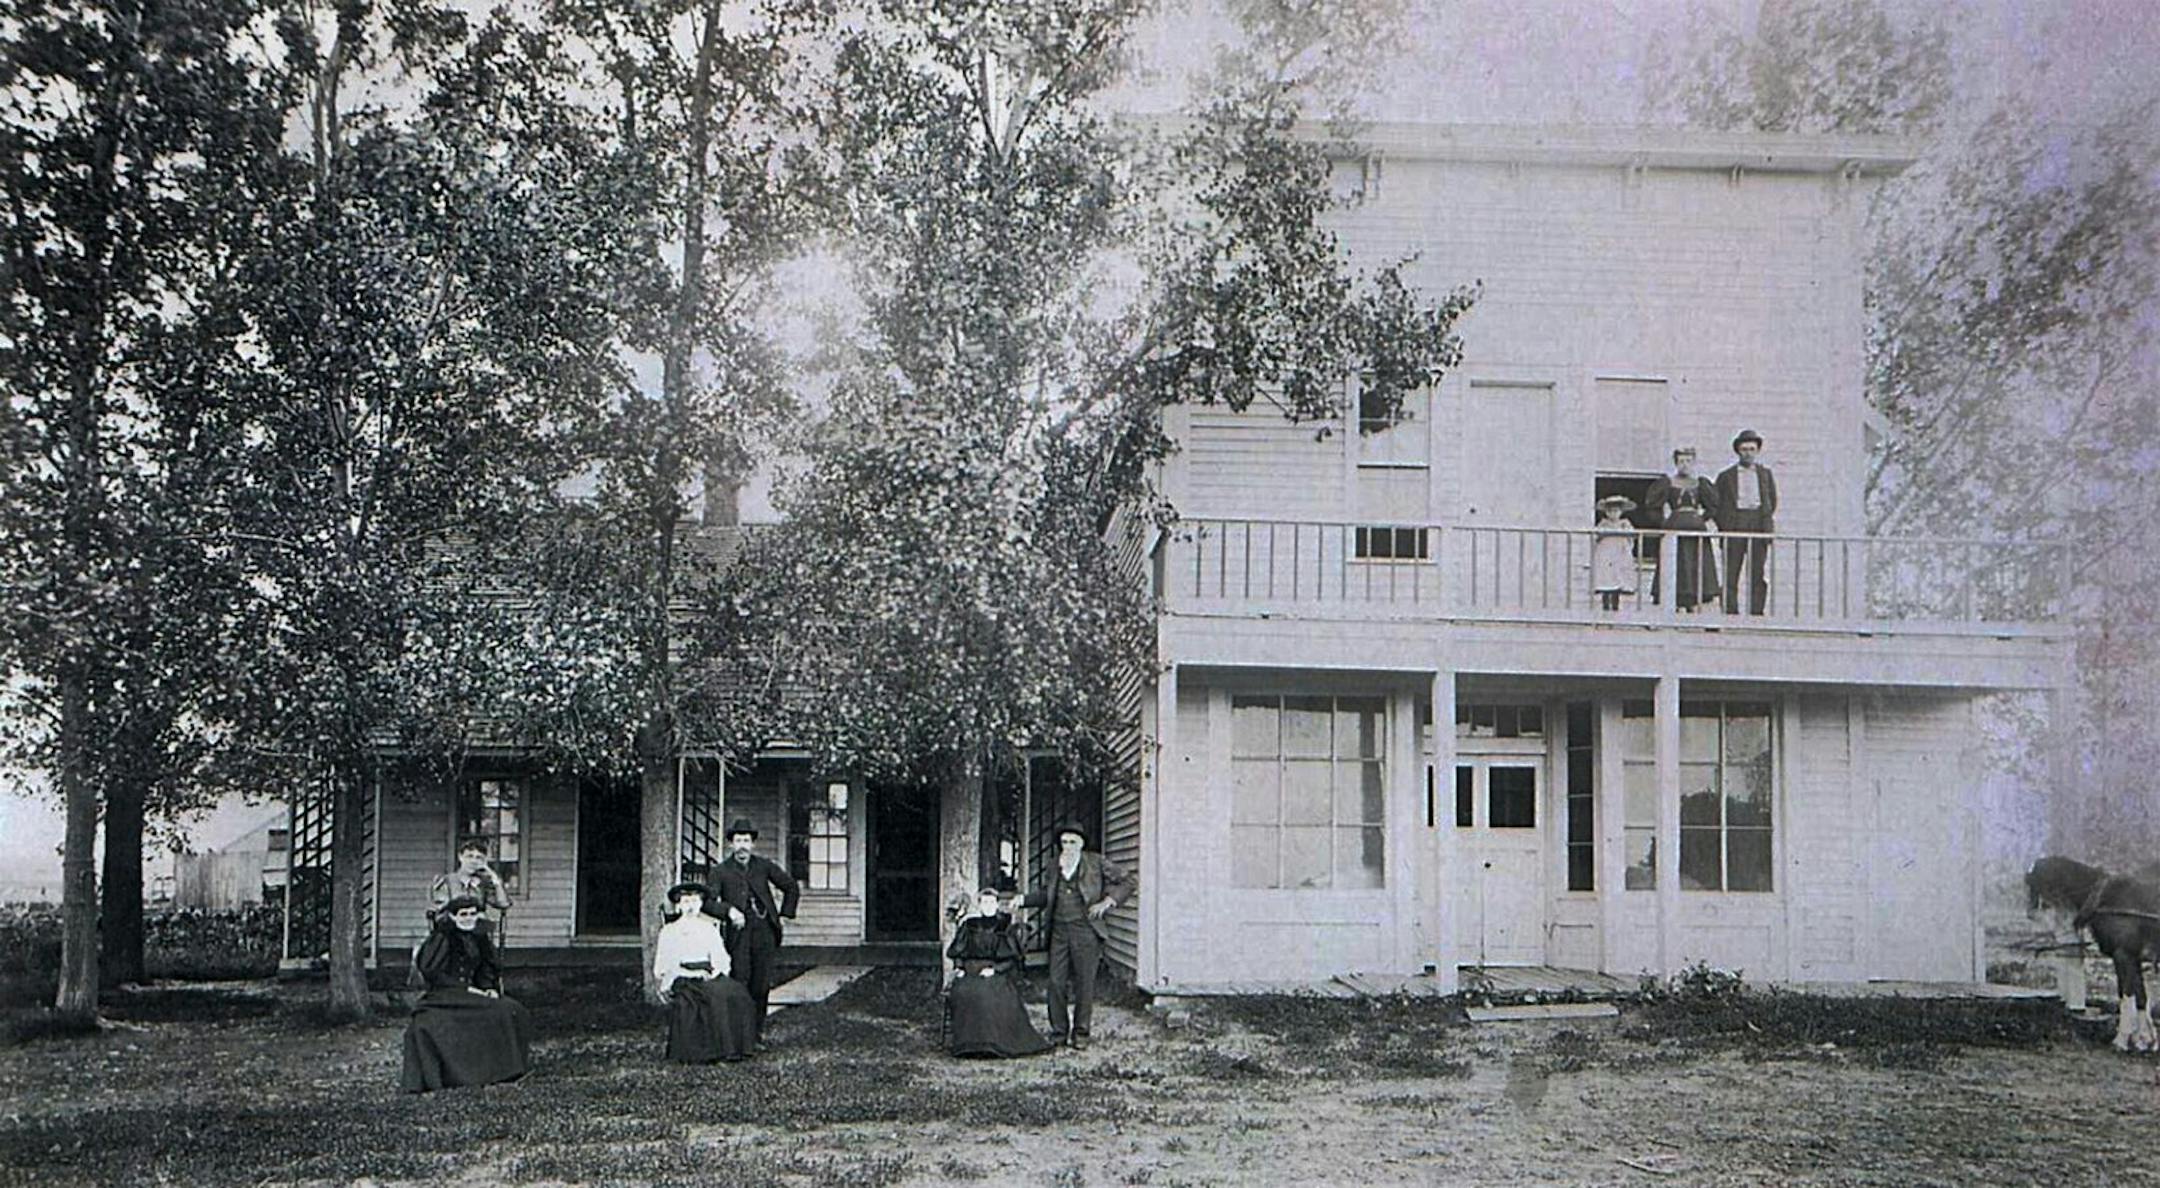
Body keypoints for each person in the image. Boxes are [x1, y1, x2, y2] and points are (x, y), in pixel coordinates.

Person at [1017, 823, 1135, 1050]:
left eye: (1072, 842)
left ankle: (1081, 1033)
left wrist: (1108, 902)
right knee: (1055, 982)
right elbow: (1047, 895)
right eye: (1064, 842)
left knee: (1084, 983)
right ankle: (1058, 1033)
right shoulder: (1054, 865)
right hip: (1059, 931)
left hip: (1086, 930)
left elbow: (1128, 881)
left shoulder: (1096, 862)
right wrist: (1022, 900)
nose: (1068, 847)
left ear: (1081, 844)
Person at [400, 895, 534, 1092]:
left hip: (473, 993)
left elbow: (485, 969)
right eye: (463, 914)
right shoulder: (442, 938)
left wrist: (488, 988)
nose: (469, 918)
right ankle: (459, 1075)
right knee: (429, 1023)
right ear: (453, 917)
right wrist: (465, 989)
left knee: (512, 1009)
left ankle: (502, 1071)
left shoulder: (479, 938)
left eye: (472, 914)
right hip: (445, 995)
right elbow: (433, 973)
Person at [709, 817, 798, 1051]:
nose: (742, 846)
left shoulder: (763, 866)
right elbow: (707, 902)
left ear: (752, 844)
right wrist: (728, 911)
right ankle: (739, 1037)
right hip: (738, 935)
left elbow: (790, 886)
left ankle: (756, 1035)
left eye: (746, 841)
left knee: (761, 985)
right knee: (740, 982)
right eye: (738, 841)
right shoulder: (720, 871)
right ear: (731, 844)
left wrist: (785, 915)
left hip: (764, 932)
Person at [654, 881, 758, 1063]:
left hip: (708, 973)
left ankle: (738, 1047)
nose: (690, 907)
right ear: (678, 905)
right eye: (686, 902)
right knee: (714, 997)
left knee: (737, 993)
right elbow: (666, 963)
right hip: (682, 975)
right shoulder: (670, 931)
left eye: (694, 902)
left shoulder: (708, 928)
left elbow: (720, 956)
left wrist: (716, 971)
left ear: (701, 904)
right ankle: (712, 1051)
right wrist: (690, 974)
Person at [945, 886, 1053, 1059]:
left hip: (996, 972)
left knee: (987, 993)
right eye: (984, 902)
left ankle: (991, 1044)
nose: (988, 906)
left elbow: (1011, 959)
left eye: (991, 902)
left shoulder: (1004, 926)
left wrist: (994, 969)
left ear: (997, 905)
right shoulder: (969, 925)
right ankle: (967, 1045)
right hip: (969, 971)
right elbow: (959, 952)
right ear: (979, 905)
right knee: (963, 991)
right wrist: (959, 968)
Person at [1642, 446, 1721, 611]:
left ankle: (1693, 601)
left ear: (1694, 463)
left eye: (1688, 461)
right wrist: (1664, 522)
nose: (1685, 465)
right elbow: (1652, 507)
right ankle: (1677, 601)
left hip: (1696, 529)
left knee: (1695, 563)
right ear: (1676, 463)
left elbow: (1713, 507)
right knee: (1676, 563)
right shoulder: (1668, 483)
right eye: (1681, 461)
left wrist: (1701, 518)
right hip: (1674, 527)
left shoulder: (1700, 483)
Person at [1715, 429, 1779, 615]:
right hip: (1735, 524)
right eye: (1744, 449)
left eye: (1752, 449)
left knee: (1757, 573)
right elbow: (1717, 504)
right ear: (1738, 451)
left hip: (1758, 524)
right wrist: (1726, 525)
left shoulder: (1765, 474)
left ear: (1757, 450)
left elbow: (1772, 501)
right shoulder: (1726, 476)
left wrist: (1764, 522)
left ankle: (1756, 613)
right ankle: (1730, 614)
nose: (1748, 453)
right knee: (1731, 573)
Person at [429, 838, 513, 937]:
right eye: (469, 856)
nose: (474, 861)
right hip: (450, 935)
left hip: (477, 934)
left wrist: (496, 880)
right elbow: (440, 912)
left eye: (479, 858)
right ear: (460, 857)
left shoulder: (483, 883)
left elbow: (503, 904)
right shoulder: (446, 882)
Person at [1590, 495, 1639, 611]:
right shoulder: (1603, 523)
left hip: (1619, 553)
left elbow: (1633, 535)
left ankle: (1616, 605)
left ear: (1621, 512)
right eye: (1610, 511)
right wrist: (1602, 533)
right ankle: (1605, 605)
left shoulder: (1625, 523)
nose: (1613, 514)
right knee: (1606, 578)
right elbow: (1596, 536)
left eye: (1616, 511)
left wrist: (1625, 532)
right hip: (1606, 553)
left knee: (1618, 577)